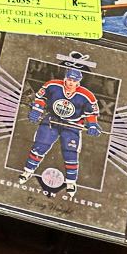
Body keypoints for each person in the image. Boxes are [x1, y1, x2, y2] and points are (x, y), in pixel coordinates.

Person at [17, 68, 100, 196]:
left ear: (79, 81)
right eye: (70, 79)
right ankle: (28, 171)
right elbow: (41, 98)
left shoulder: (87, 95)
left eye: (75, 81)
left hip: (72, 125)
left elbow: (91, 113)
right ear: (65, 78)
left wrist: (93, 124)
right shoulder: (52, 85)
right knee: (39, 146)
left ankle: (71, 182)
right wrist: (37, 109)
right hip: (52, 119)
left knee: (70, 152)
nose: (71, 83)